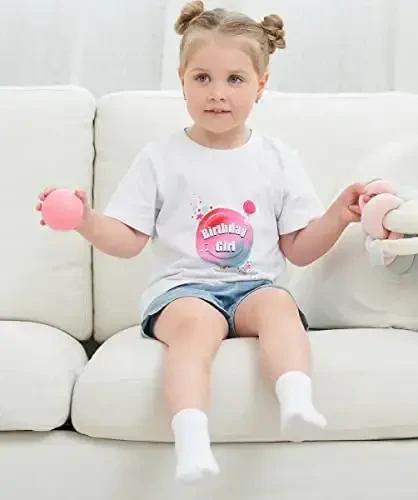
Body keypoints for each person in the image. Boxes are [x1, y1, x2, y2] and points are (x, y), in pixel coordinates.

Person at [37, 0, 365, 483]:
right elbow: (128, 241)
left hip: (254, 287)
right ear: (182, 80)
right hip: (183, 291)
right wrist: (85, 219)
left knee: (278, 305)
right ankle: (192, 440)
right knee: (195, 329)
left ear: (261, 85)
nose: (217, 93)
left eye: (234, 79)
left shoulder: (277, 158)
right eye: (202, 78)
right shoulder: (161, 158)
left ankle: (296, 402)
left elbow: (298, 247)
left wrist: (338, 215)